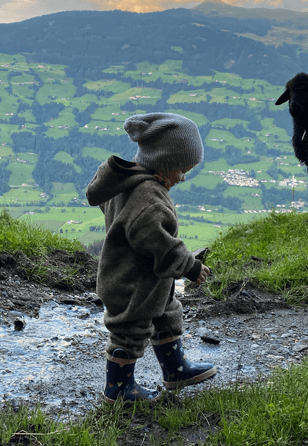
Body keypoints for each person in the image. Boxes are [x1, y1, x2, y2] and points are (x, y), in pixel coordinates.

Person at [85, 112, 217, 404]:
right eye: (182, 170)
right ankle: (118, 389)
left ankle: (175, 369)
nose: (183, 178)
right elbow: (159, 243)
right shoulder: (148, 197)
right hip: (132, 282)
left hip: (150, 279)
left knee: (167, 313)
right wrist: (191, 266)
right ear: (165, 163)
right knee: (130, 332)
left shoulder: (130, 182)